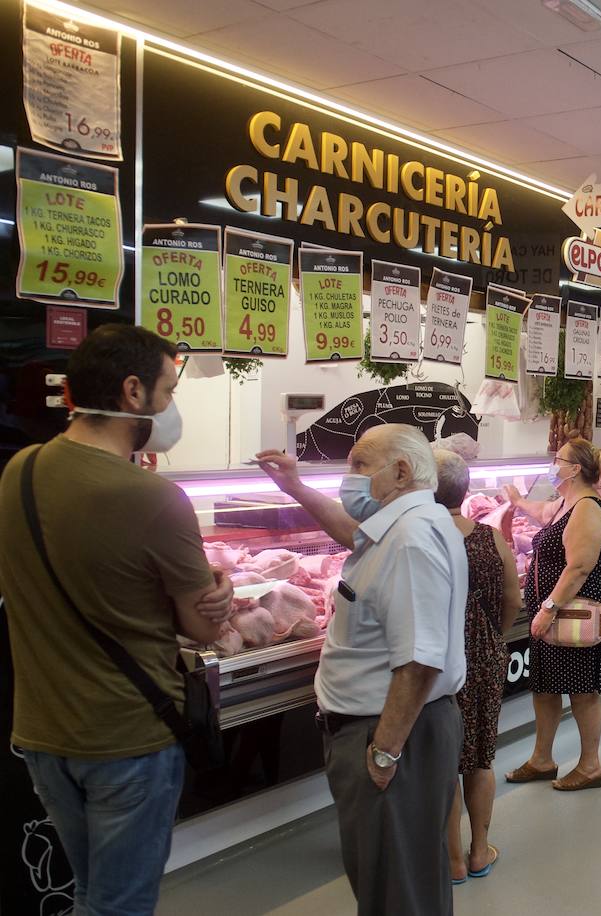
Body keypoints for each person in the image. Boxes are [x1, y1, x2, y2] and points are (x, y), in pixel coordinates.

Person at [0, 324, 233, 916]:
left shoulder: (19, 472)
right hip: (126, 738)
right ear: (133, 393)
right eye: (168, 390)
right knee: (120, 905)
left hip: (42, 735)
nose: (171, 406)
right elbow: (204, 630)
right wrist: (222, 595)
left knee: (89, 892)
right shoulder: (152, 497)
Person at [255, 426, 468, 915]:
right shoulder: (404, 524)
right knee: (408, 879)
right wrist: (295, 487)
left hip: (393, 736)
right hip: (397, 733)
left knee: (394, 891)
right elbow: (350, 533)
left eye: (357, 464)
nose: (347, 478)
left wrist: (385, 754)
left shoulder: (412, 539)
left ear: (400, 472)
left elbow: (419, 661)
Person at [503, 438, 601, 791]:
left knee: (582, 693)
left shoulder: (587, 508)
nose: (554, 464)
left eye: (560, 459)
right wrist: (517, 502)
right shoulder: (566, 502)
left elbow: (579, 568)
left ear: (574, 469)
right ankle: (542, 759)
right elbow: (544, 514)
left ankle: (590, 766)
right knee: (545, 688)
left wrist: (548, 609)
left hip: (574, 616)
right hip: (555, 615)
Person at [433, 450, 521, 884]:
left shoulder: (421, 538)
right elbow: (513, 599)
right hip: (484, 656)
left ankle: (451, 861)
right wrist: (492, 636)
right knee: (481, 756)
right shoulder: (489, 539)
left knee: (445, 759)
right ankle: (479, 851)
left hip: (433, 662)